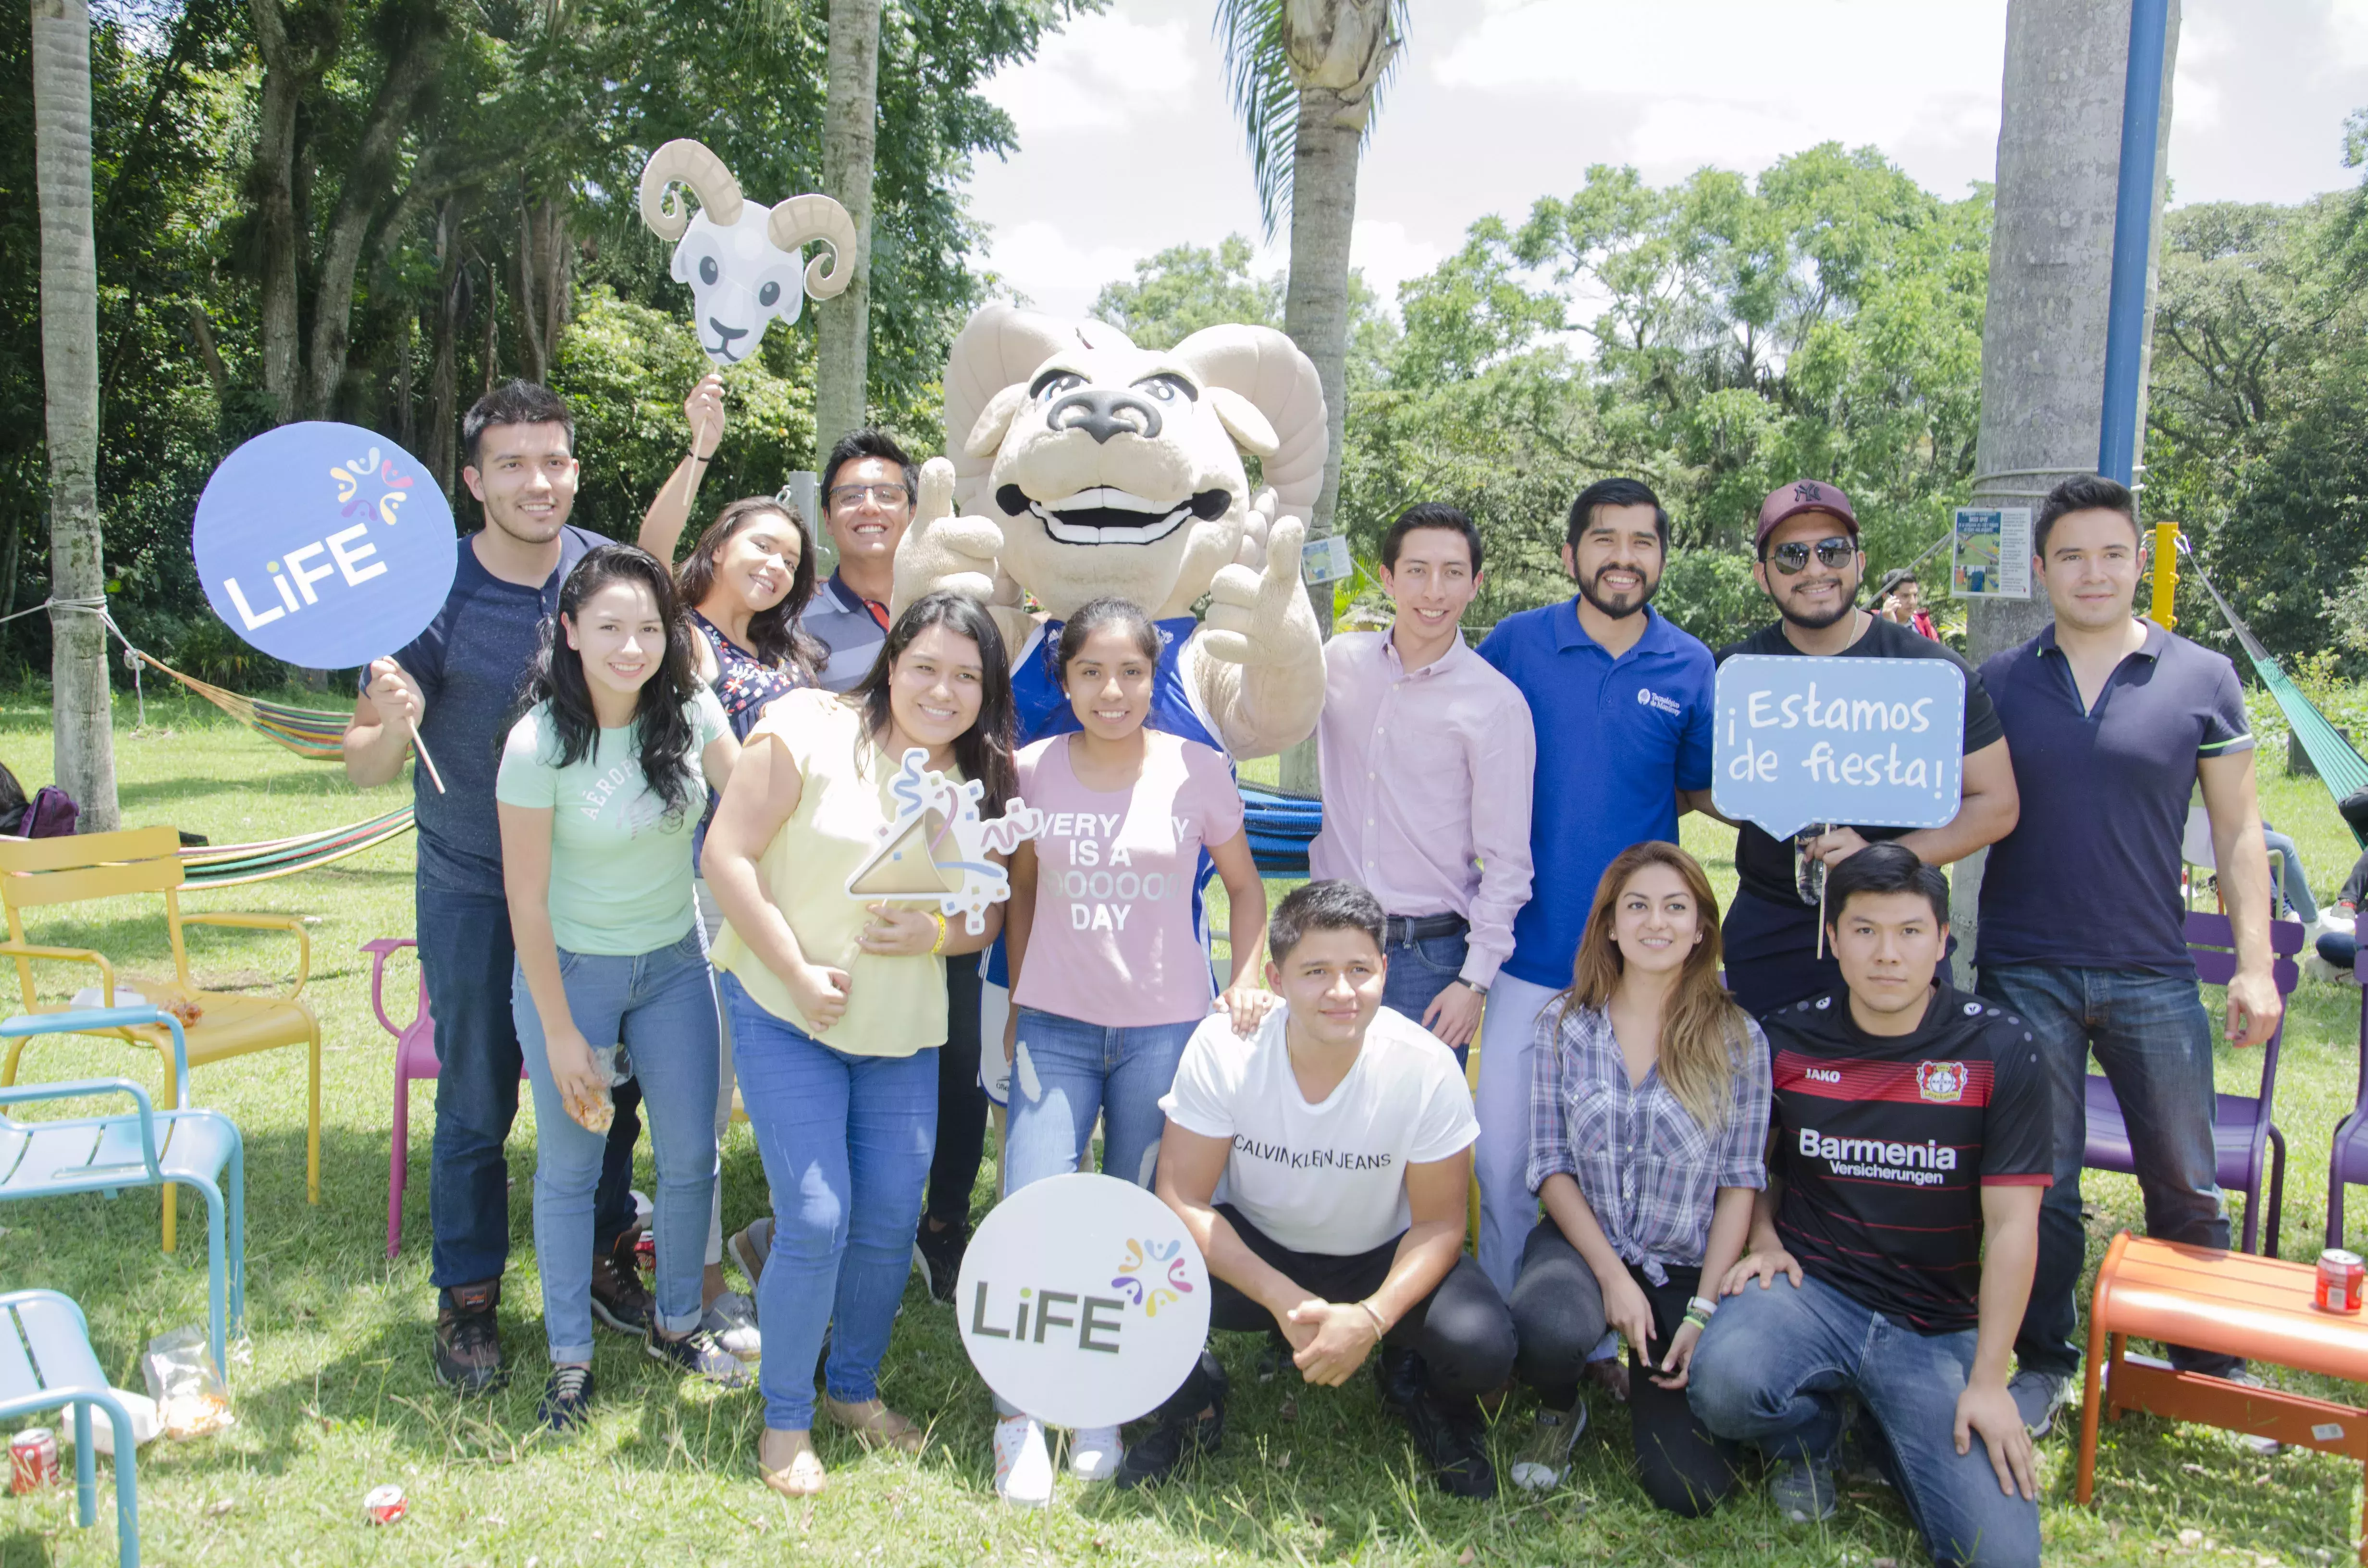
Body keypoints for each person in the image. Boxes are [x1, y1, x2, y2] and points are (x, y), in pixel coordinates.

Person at [345, 380, 654, 1392]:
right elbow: (364, 764)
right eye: (514, 464)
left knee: (608, 1084)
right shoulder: (425, 594)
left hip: (600, 890)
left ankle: (611, 1255)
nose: (539, 481)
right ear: (473, 480)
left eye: (555, 460)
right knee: (477, 1097)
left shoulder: (606, 573)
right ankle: (470, 1295)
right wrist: (391, 718)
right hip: (474, 886)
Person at [1974, 474, 2286, 1439]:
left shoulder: (2202, 677)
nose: (2092, 572)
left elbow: (2238, 832)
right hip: (2023, 967)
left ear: (2138, 565)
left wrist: (2254, 962)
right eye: (2070, 555)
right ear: (2040, 569)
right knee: (2044, 1186)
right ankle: (2048, 1361)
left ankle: (2202, 1364)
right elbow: (1950, 803)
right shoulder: (1995, 680)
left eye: (2112, 553)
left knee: (2186, 1179)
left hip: (2151, 969)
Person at [702, 589, 1018, 1498]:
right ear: (891, 659)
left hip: (901, 1029)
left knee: (886, 1218)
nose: (942, 688)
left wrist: (937, 938)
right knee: (815, 1216)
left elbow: (982, 912)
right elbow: (726, 854)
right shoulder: (805, 723)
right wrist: (796, 971)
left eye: (967, 675)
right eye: (925, 664)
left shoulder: (973, 778)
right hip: (783, 1008)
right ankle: (785, 1416)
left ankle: (850, 1390)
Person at [988, 596, 1275, 1506]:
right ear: (1061, 680)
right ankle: (1019, 1413)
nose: (1111, 690)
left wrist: (1246, 976)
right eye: (1089, 672)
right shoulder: (1030, 770)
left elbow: (1246, 888)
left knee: (1134, 1227)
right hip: (1056, 1030)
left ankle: (1104, 1401)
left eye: (1131, 672)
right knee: (1031, 1213)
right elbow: (1021, 895)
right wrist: (1021, 998)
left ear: (1155, 678)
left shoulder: (1198, 768)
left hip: (1164, 1030)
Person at [1688, 844, 2046, 1567]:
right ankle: (1810, 1437)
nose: (1888, 954)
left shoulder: (2001, 1048)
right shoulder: (1784, 1040)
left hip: (1934, 1327)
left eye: (1911, 932)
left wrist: (1987, 1382)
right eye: (1865, 931)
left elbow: (2013, 1228)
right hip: (1811, 1291)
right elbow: (1753, 1167)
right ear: (1832, 940)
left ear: (1943, 942)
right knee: (1722, 1383)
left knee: (1999, 1558)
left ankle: (1889, 1425)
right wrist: (1763, 1237)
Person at [1128, 880, 1518, 1496]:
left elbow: (1441, 1225)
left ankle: (1422, 1394)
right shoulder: (1226, 1048)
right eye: (1315, 971)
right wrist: (1282, 1299)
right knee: (1135, 1280)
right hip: (1257, 1252)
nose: (1341, 992)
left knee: (1481, 1344)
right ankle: (1193, 1406)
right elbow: (1181, 1201)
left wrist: (1370, 1319)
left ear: (1385, 972)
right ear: (1276, 980)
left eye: (1359, 969)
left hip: (1378, 1256)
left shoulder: (1424, 1065)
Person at [496, 545, 749, 1427]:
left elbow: (751, 797)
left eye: (649, 627)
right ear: (569, 633)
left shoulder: (690, 707)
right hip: (571, 973)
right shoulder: (537, 743)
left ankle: (677, 1320)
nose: (632, 646)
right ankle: (569, 1355)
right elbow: (523, 900)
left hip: (675, 961)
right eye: (609, 627)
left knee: (691, 1155)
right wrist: (562, 1034)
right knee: (569, 1169)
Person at [1473, 477, 1714, 1295]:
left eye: (1642, 541)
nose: (1622, 557)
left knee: (1616, 1164)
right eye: (1604, 539)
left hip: (1635, 968)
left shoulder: (1689, 663)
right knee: (1501, 1154)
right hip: (1522, 950)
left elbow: (1700, 787)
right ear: (1570, 552)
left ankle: (1602, 1329)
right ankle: (1506, 1312)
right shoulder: (1514, 642)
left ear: (1660, 557)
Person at [1507, 842, 1769, 1510]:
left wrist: (1704, 1311)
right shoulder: (1565, 1026)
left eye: (1676, 907)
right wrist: (1612, 1277)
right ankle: (1560, 1409)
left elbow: (1741, 1181)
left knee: (1692, 1491)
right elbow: (1551, 1166)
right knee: (1550, 1324)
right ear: (1612, 926)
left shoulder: (1739, 1039)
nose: (1658, 923)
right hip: (1584, 1246)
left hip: (1684, 1266)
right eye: (1639, 907)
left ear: (1702, 927)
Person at [1707, 480, 2018, 1017]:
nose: (1814, 569)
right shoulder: (1732, 674)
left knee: (1894, 1095)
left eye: (1832, 551)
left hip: (1895, 926)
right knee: (1769, 1094)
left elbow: (1996, 805)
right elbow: (1694, 785)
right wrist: (1767, 802)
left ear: (1859, 561)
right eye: (1790, 554)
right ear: (1762, 574)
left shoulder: (1933, 674)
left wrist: (1886, 858)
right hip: (1770, 928)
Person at [645, 470, 831, 1360]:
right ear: (716, 545)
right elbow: (643, 562)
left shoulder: (786, 657)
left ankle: (770, 1245)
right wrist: (698, 449)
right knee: (705, 1099)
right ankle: (706, 1279)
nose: (774, 564)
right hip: (702, 893)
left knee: (779, 1082)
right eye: (760, 543)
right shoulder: (682, 639)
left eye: (790, 558)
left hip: (787, 897)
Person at [1310, 504, 1535, 1065]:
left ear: (1475, 584)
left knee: (1415, 1140)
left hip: (1427, 960)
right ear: (1386, 578)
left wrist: (1474, 983)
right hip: (1327, 939)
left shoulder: (1496, 704)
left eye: (1452, 572)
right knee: (1319, 1133)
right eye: (1415, 570)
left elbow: (1506, 862)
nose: (1433, 591)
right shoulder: (1336, 664)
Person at [1877, 569, 1938, 639]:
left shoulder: (1924, 626)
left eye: (1915, 595)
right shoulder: (1870, 625)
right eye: (1905, 596)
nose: (1912, 602)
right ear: (1886, 596)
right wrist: (1890, 626)